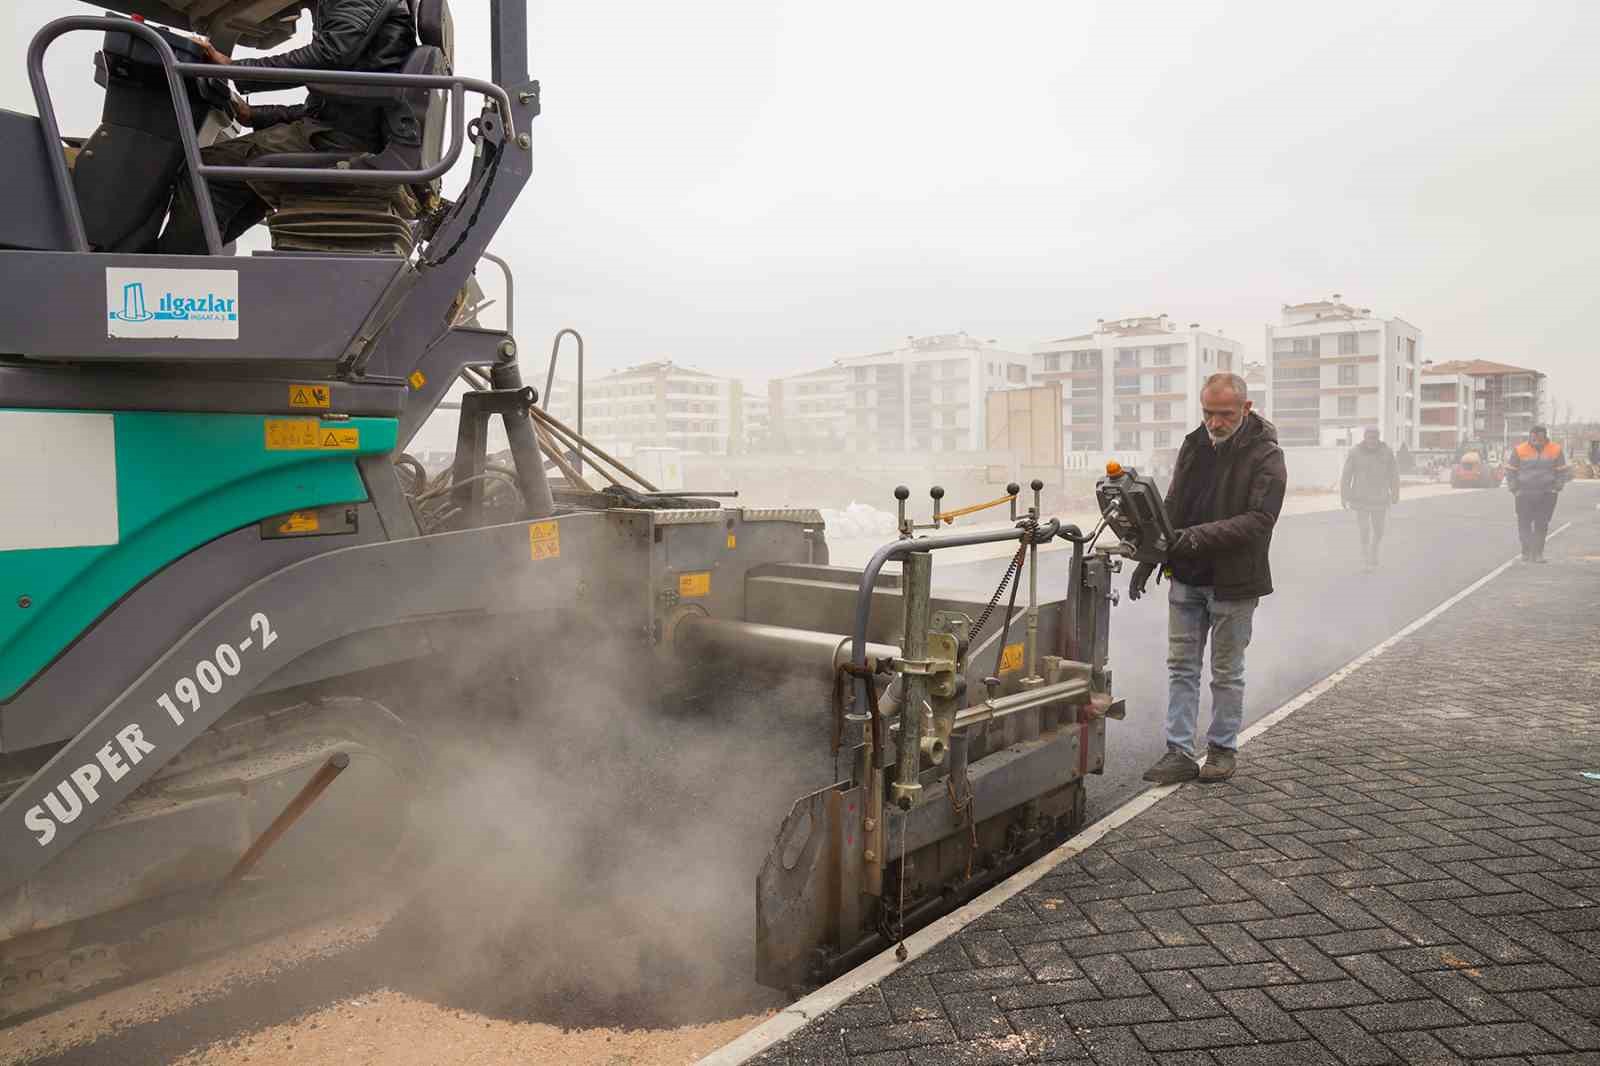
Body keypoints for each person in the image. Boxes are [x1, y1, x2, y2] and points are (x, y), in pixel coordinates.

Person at [158, 0, 417, 254]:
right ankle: (194, 268)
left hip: (340, 138)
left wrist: (235, 69)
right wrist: (256, 115)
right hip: (348, 132)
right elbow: (340, 99)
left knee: (207, 168)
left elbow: (331, 54)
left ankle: (168, 275)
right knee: (244, 187)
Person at [1128, 373, 1287, 785]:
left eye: (1224, 415)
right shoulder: (1194, 444)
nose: (1214, 423)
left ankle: (1221, 749)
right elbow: (1174, 502)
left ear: (1246, 408)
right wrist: (1152, 554)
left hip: (1234, 583)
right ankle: (1178, 752)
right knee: (1181, 667)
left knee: (1226, 672)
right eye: (1208, 413)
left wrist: (1192, 538)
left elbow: (1259, 520)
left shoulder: (1266, 455)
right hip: (1186, 576)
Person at [1505, 425, 1570, 563]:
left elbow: (1562, 471)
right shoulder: (1519, 449)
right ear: (1530, 436)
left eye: (1539, 438)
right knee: (1524, 523)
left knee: (1542, 523)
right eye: (1533, 438)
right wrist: (1514, 489)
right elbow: (1511, 471)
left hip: (1547, 493)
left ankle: (1538, 553)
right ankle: (1526, 552)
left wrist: (1557, 487)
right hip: (1524, 493)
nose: (1535, 441)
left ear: (1545, 437)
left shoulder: (1556, 449)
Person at [1340, 427, 1400, 570]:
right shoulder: (1355, 452)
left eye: (1374, 437)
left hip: (1380, 498)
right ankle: (1366, 557)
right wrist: (1344, 495)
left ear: (1378, 437)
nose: (1372, 440)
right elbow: (1346, 475)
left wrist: (1395, 493)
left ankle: (1374, 549)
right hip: (1361, 498)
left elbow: (1394, 474)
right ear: (1365, 437)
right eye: (1369, 436)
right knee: (1364, 529)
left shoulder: (1387, 452)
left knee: (1379, 530)